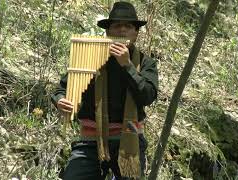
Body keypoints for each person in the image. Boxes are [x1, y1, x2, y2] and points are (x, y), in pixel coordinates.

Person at [51, 1, 158, 180]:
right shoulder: (89, 56)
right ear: (108, 31)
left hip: (129, 141)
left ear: (136, 33)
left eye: (128, 26)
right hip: (90, 141)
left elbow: (147, 96)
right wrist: (60, 100)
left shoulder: (146, 63)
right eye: (117, 26)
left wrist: (127, 66)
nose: (122, 30)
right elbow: (61, 89)